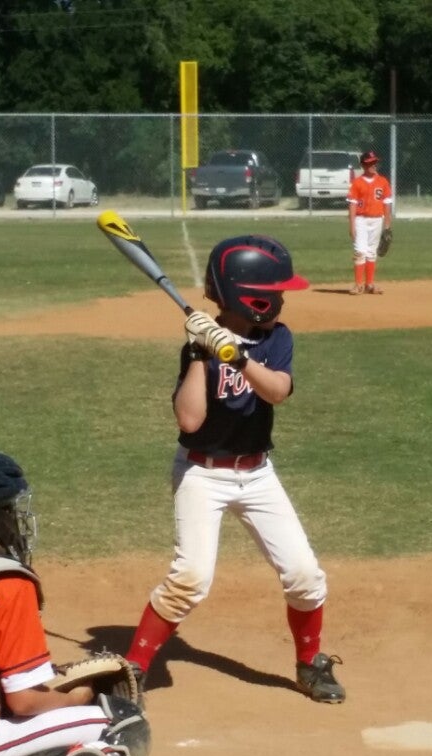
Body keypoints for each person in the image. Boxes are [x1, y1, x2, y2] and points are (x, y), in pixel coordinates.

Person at [125, 234, 345, 705]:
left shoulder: (277, 338)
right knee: (190, 578)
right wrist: (203, 356)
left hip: (257, 473)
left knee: (305, 574)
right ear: (250, 296)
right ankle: (133, 670)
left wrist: (239, 356)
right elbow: (189, 421)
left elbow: (277, 391)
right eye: (276, 290)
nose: (283, 297)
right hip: (201, 474)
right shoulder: (198, 346)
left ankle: (311, 663)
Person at [0, 451, 150, 756]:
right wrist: (82, 694)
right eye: (6, 510)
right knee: (122, 726)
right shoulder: (3, 582)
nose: (14, 519)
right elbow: (25, 703)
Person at [347, 150, 393, 295]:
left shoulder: (383, 181)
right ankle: (358, 284)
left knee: (372, 253)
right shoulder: (357, 183)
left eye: (375, 162)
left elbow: (387, 204)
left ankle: (369, 284)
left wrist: (387, 225)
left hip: (377, 220)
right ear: (363, 165)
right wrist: (352, 225)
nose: (373, 165)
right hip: (361, 220)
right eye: (370, 163)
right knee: (360, 251)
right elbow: (352, 204)